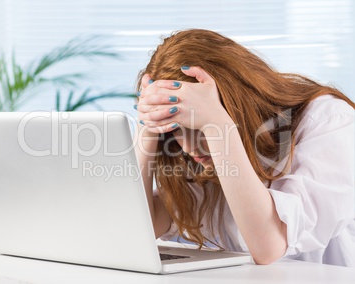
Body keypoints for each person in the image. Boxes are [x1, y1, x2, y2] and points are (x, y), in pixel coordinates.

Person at [134, 29, 355, 267]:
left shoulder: (330, 120)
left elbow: (268, 247)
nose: (188, 148)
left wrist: (216, 124)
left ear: (235, 102)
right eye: (176, 130)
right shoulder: (200, 164)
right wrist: (147, 127)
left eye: (197, 129)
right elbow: (135, 233)